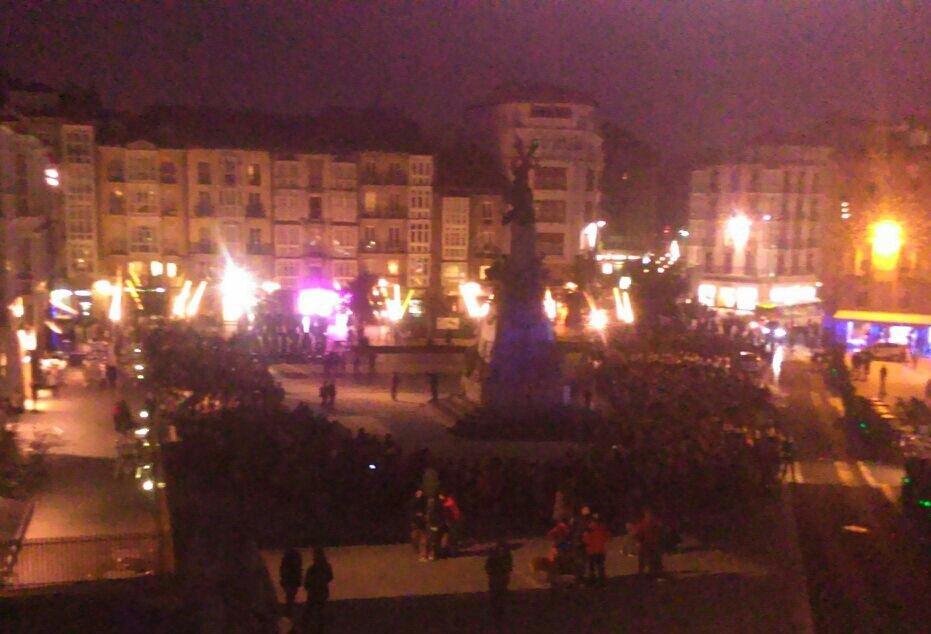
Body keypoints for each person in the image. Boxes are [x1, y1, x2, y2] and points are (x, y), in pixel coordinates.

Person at [302, 547, 333, 634]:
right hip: (322, 591)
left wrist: (308, 586)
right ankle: (319, 628)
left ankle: (305, 625)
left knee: (310, 609)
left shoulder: (312, 568)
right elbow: (330, 577)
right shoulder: (325, 566)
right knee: (320, 611)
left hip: (314, 592)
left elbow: (307, 581)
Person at [485, 540, 513, 631]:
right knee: (495, 595)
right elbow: (488, 567)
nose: (502, 550)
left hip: (502, 578)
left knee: (502, 594)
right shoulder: (493, 557)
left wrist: (506, 572)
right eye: (501, 549)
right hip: (495, 578)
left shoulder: (507, 556)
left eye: (504, 549)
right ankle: (495, 611)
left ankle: (501, 611)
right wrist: (493, 573)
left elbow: (509, 566)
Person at [629, 508, 664, 579]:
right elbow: (638, 533)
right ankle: (650, 572)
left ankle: (649, 573)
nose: (649, 517)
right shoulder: (649, 524)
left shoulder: (649, 524)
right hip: (648, 543)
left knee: (648, 559)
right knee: (649, 558)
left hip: (649, 543)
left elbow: (637, 533)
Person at [582, 513, 611, 585]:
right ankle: (602, 580)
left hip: (591, 551)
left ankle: (593, 580)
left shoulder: (589, 529)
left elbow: (585, 539)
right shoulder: (603, 528)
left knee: (592, 567)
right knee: (600, 566)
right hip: (601, 550)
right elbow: (607, 537)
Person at [279, 547, 303, 618]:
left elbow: (282, 569)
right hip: (292, 580)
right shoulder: (296, 557)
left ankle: (289, 611)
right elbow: (298, 569)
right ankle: (289, 611)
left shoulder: (287, 558)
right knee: (290, 596)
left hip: (289, 580)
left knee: (289, 596)